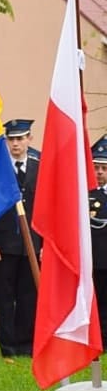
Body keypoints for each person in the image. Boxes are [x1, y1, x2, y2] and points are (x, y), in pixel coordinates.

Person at [0, 119, 40, 357]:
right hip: (4, 243)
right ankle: (7, 346)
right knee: (5, 297)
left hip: (33, 243)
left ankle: (25, 343)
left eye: (20, 138)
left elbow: (47, 207)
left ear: (29, 139)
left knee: (29, 296)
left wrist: (45, 243)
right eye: (12, 139)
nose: (16, 144)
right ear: (6, 141)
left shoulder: (41, 165)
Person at [89, 138, 107, 351]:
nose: (100, 172)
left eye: (104, 168)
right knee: (96, 303)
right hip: (94, 261)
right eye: (96, 167)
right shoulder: (85, 194)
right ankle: (98, 341)